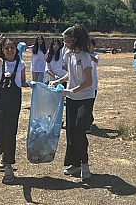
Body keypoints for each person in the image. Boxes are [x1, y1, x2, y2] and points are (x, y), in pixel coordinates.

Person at [49, 25, 95, 180]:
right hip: (72, 99)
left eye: (67, 41)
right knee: (70, 132)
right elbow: (70, 74)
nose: (65, 44)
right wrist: (58, 81)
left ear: (75, 41)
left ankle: (85, 164)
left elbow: (88, 81)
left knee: (79, 132)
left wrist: (71, 91)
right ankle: (74, 164)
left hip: (85, 98)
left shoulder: (85, 57)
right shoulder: (69, 54)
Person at [0, 34, 29, 184]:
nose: (10, 50)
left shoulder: (22, 64)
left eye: (12, 48)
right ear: (3, 50)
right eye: (7, 48)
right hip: (0, 101)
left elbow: (23, 81)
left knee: (10, 132)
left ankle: (8, 166)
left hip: (14, 102)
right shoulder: (0, 63)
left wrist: (36, 86)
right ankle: (2, 149)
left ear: (16, 50)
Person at [87, 39, 100, 133]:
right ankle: (88, 121)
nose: (88, 47)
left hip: (93, 85)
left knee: (90, 105)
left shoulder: (95, 55)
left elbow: (95, 60)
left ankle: (88, 123)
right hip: (85, 84)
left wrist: (88, 55)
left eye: (90, 45)